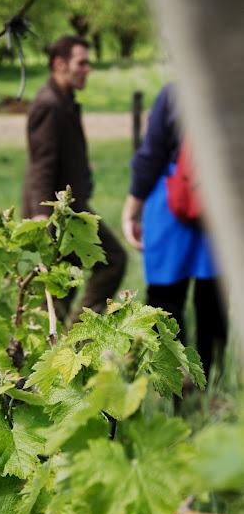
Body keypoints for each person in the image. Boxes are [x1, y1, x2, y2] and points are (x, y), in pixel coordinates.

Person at [122, 83, 227, 377]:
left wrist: (131, 209)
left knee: (165, 301)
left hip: (170, 205)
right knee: (213, 302)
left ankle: (172, 381)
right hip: (218, 210)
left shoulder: (176, 92)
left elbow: (151, 154)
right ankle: (209, 381)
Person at [23, 34, 126, 316]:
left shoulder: (64, 99)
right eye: (81, 63)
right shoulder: (49, 104)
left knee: (62, 287)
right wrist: (42, 215)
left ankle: (67, 345)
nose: (87, 69)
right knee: (111, 260)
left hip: (72, 211)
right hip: (59, 216)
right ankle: (76, 338)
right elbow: (40, 164)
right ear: (59, 64)